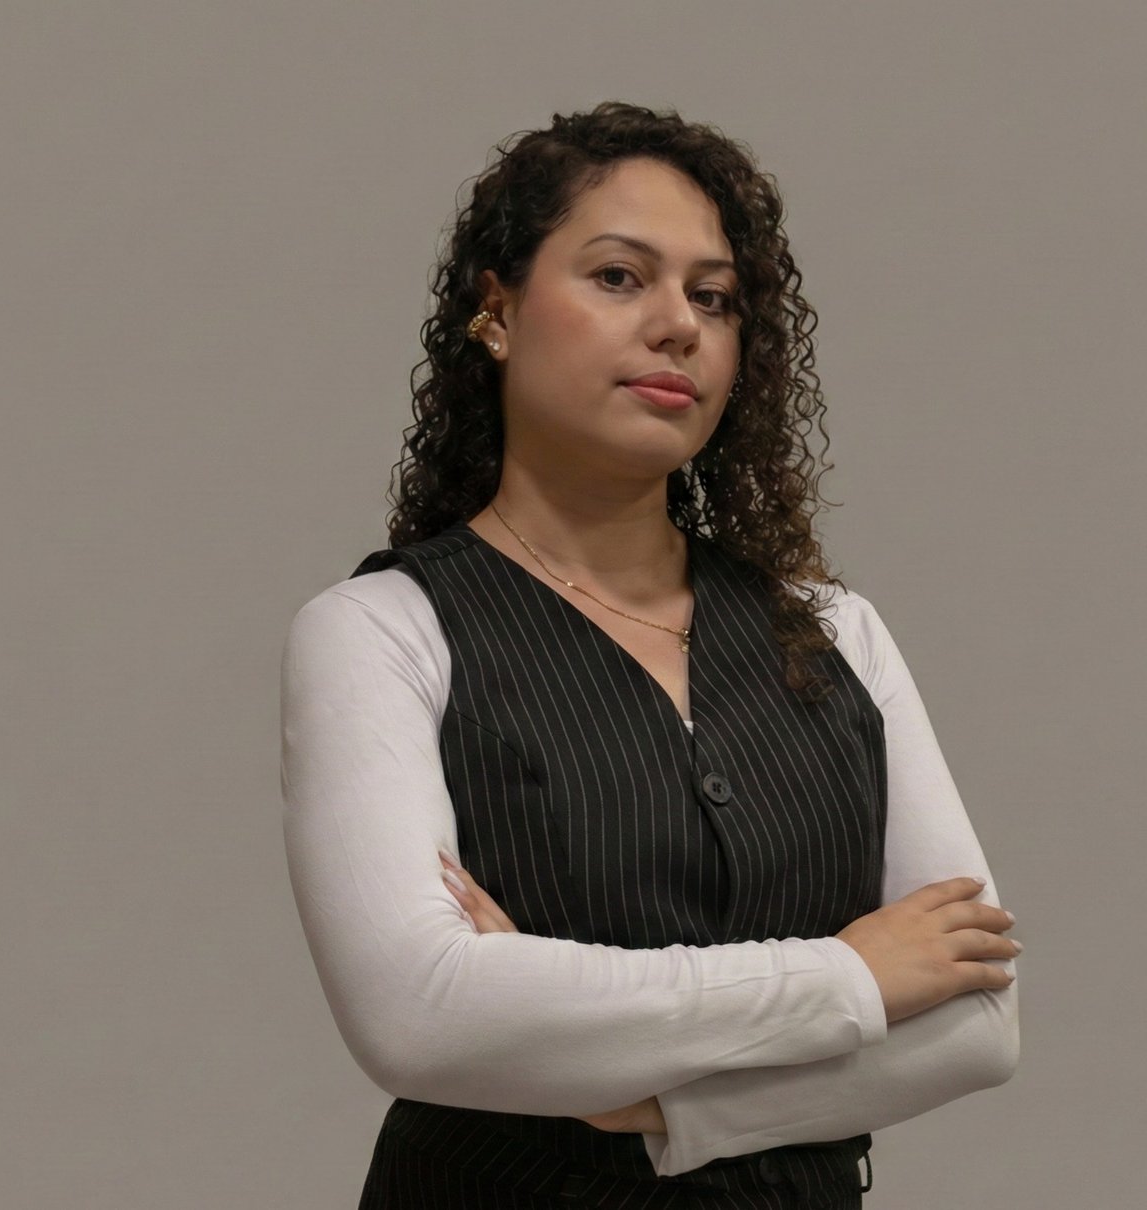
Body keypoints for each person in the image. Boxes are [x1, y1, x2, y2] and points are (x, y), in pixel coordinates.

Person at [279, 102, 1020, 1208]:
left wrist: (666, 1108)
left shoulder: (835, 630)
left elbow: (976, 1023)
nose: (679, 324)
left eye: (713, 297)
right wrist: (854, 972)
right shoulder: (380, 628)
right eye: (620, 277)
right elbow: (422, 1011)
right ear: (497, 311)